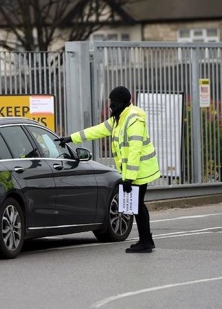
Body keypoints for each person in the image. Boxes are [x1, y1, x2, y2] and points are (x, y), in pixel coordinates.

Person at [55, 86, 160, 253]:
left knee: (137, 205)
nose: (111, 106)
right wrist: (71, 138)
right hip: (134, 170)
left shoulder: (133, 119)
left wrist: (129, 178)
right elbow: (97, 130)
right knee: (137, 205)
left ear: (122, 103)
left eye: (113, 103)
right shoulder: (119, 118)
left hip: (140, 170)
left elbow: (135, 149)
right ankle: (146, 240)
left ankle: (146, 241)